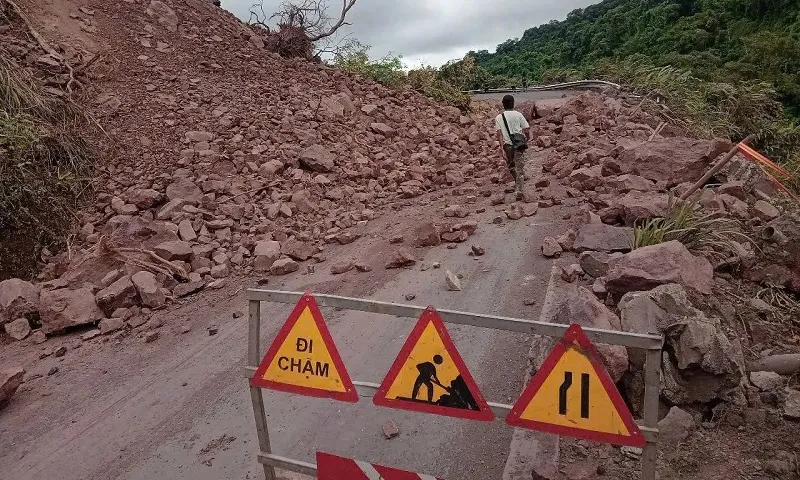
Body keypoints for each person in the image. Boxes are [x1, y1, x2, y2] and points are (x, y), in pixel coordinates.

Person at [494, 95, 530, 196]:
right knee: (520, 168)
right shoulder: (518, 115)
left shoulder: (499, 117)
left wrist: (501, 148)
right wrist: (527, 138)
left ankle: (517, 185)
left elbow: (499, 134)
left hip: (507, 145)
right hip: (518, 144)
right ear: (513, 103)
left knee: (511, 166)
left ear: (503, 104)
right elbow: (526, 129)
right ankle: (519, 190)